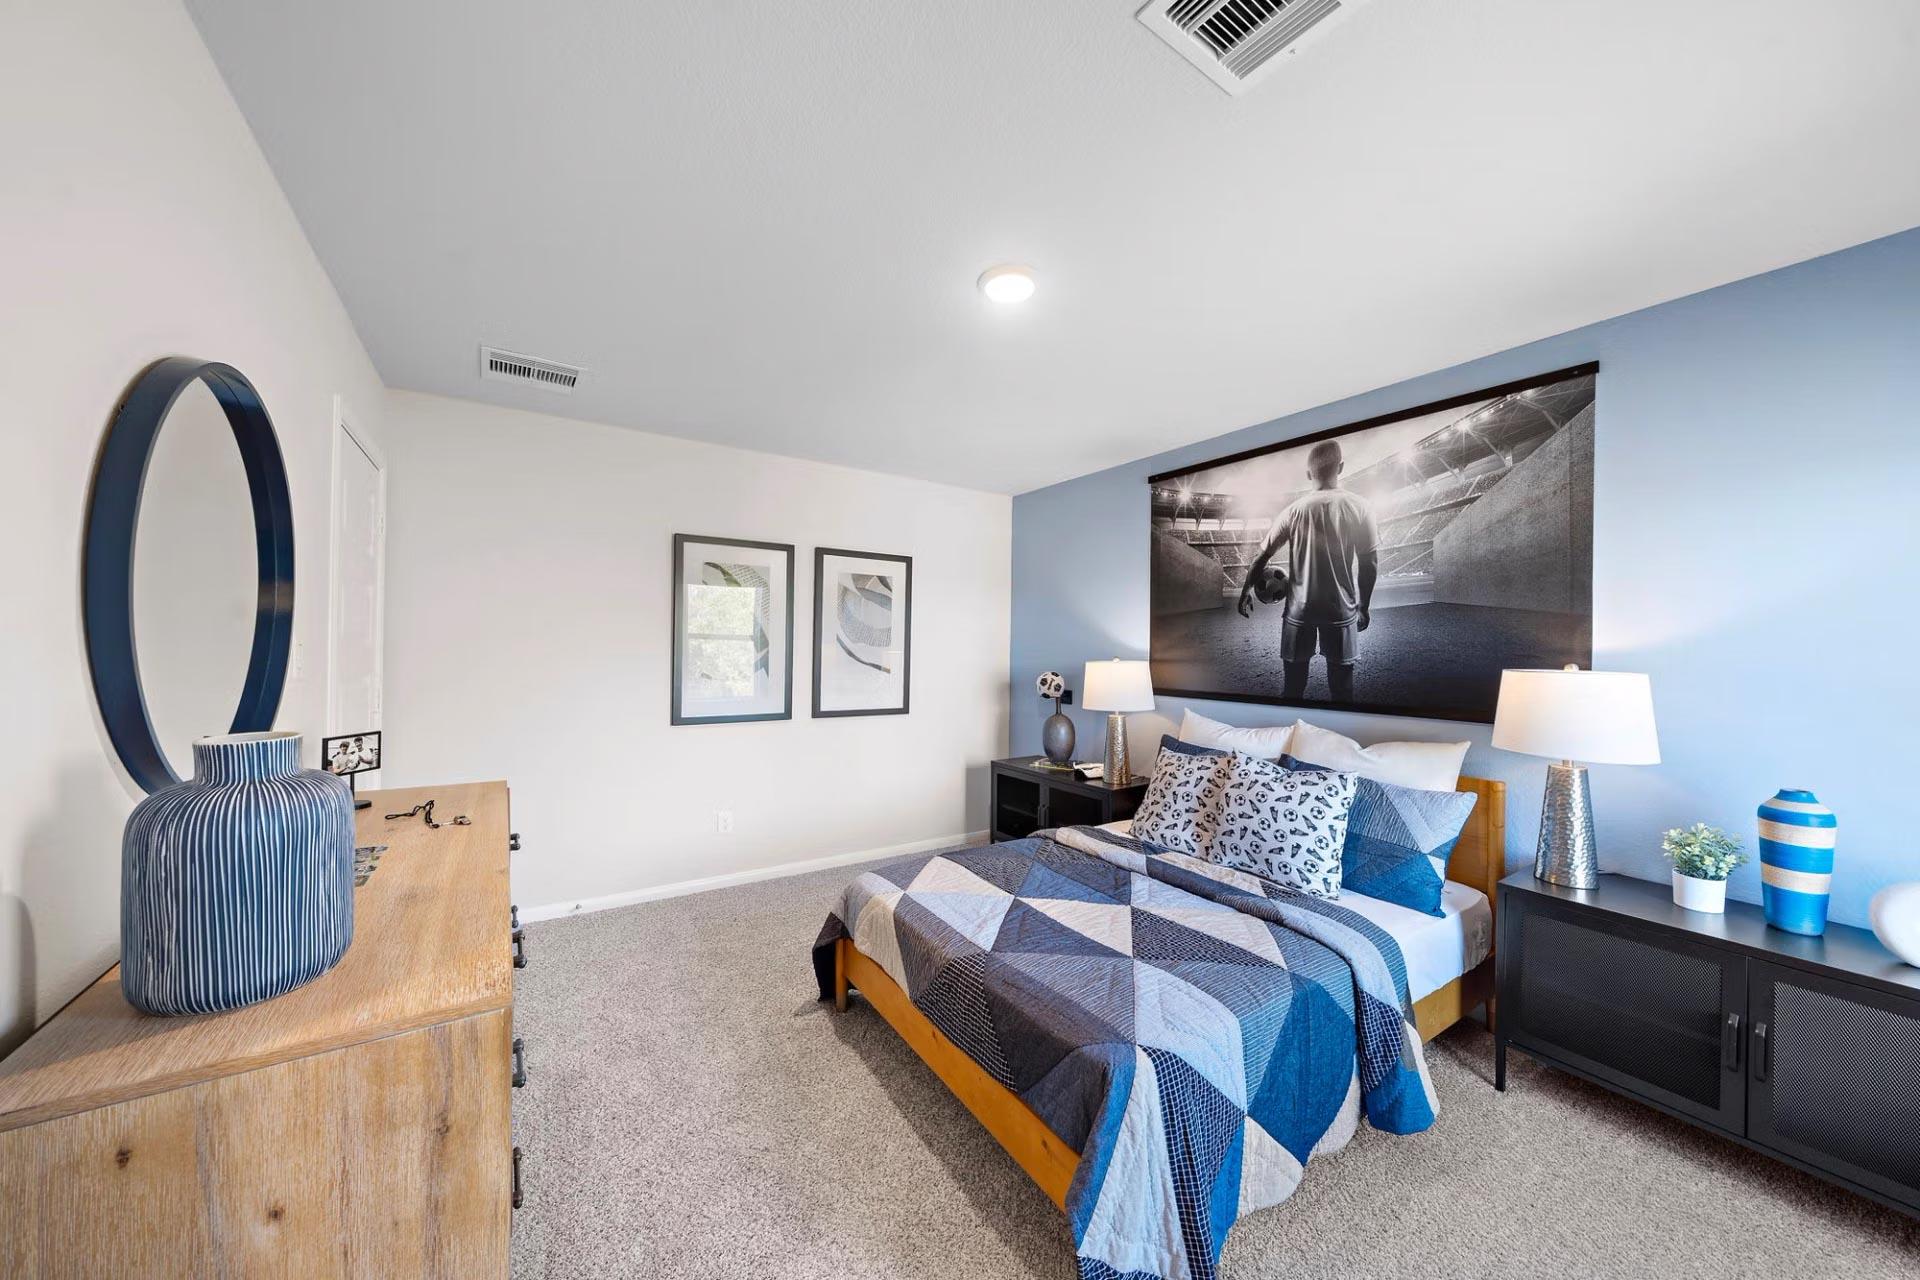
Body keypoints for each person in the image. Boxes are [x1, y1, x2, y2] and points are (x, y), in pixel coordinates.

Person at [1236, 438, 1378, 703]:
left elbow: (1261, 557)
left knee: (1292, 689)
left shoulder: (1292, 511)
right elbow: (1369, 562)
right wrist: (1364, 606)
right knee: (1342, 691)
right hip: (1340, 609)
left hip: (1298, 612)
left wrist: (1245, 591)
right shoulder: (1359, 506)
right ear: (1341, 467)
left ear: (1308, 474)